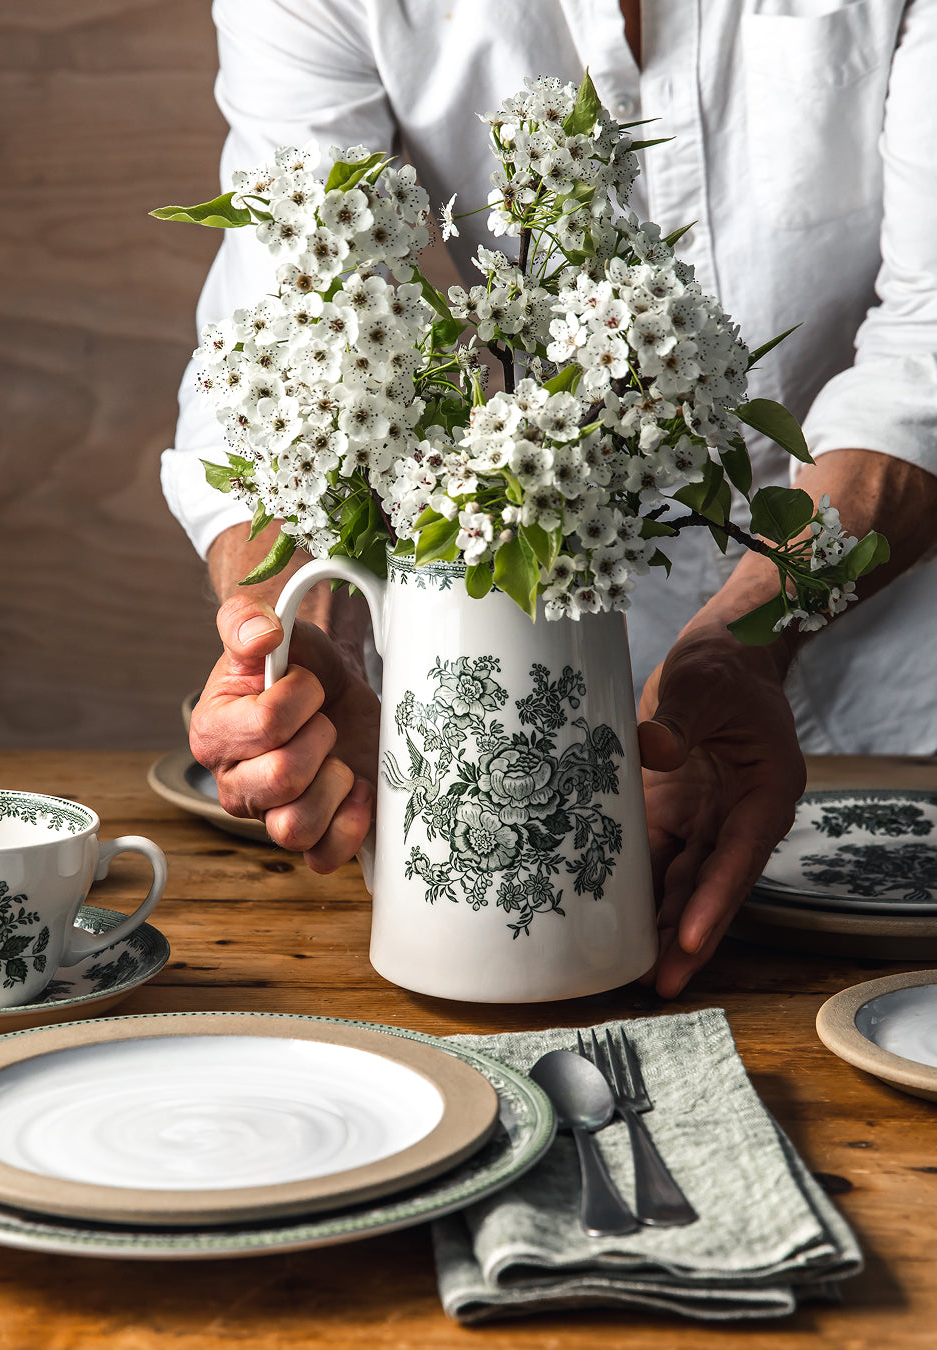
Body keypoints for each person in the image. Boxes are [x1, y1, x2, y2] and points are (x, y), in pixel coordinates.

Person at [161, 0, 937, 997]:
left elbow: (928, 349)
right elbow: (286, 327)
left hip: (904, 712)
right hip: (573, 691)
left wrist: (749, 637)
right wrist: (303, 636)